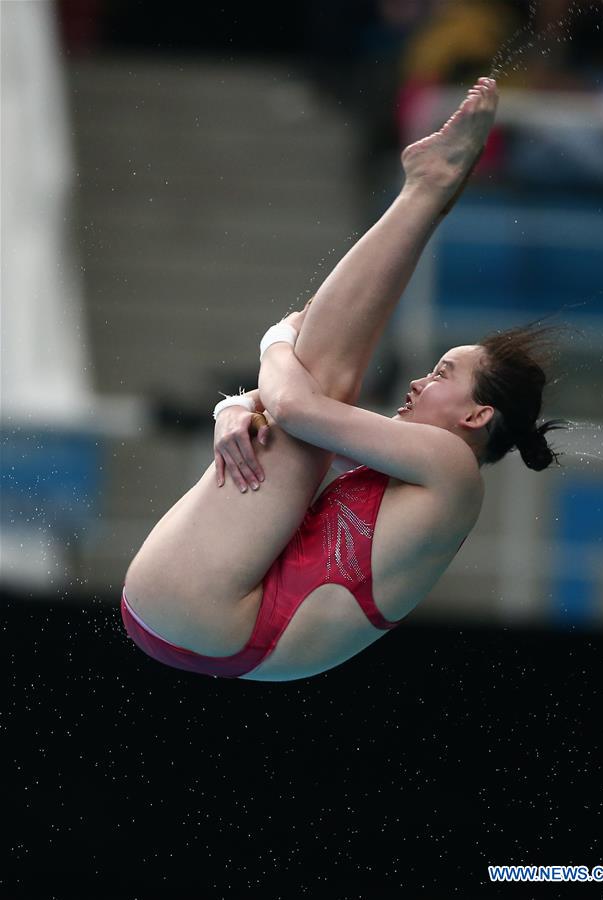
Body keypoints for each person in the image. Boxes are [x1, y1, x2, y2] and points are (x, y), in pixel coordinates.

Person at [121, 77, 565, 681]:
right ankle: (426, 192)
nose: (417, 383)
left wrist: (276, 337)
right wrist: (234, 406)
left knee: (321, 384)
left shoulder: (452, 466)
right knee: (315, 398)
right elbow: (287, 409)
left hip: (218, 615)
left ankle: (426, 190)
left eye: (441, 374)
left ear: (477, 415)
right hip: (206, 623)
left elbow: (295, 406)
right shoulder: (418, 471)